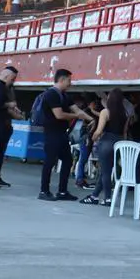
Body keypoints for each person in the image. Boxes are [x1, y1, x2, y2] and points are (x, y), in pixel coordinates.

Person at [38, 69, 86, 202]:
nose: (70, 83)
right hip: (52, 132)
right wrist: (77, 116)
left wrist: (91, 119)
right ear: (62, 80)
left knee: (67, 160)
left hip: (61, 133)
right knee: (50, 161)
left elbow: (77, 110)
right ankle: (44, 191)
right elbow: (59, 115)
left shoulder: (64, 95)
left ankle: (62, 191)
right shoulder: (51, 94)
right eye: (69, 80)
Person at [80, 89, 128, 206]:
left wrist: (92, 139)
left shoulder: (105, 112)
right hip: (119, 143)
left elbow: (99, 130)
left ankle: (108, 198)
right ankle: (94, 196)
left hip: (106, 142)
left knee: (105, 172)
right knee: (105, 171)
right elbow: (125, 132)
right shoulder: (125, 114)